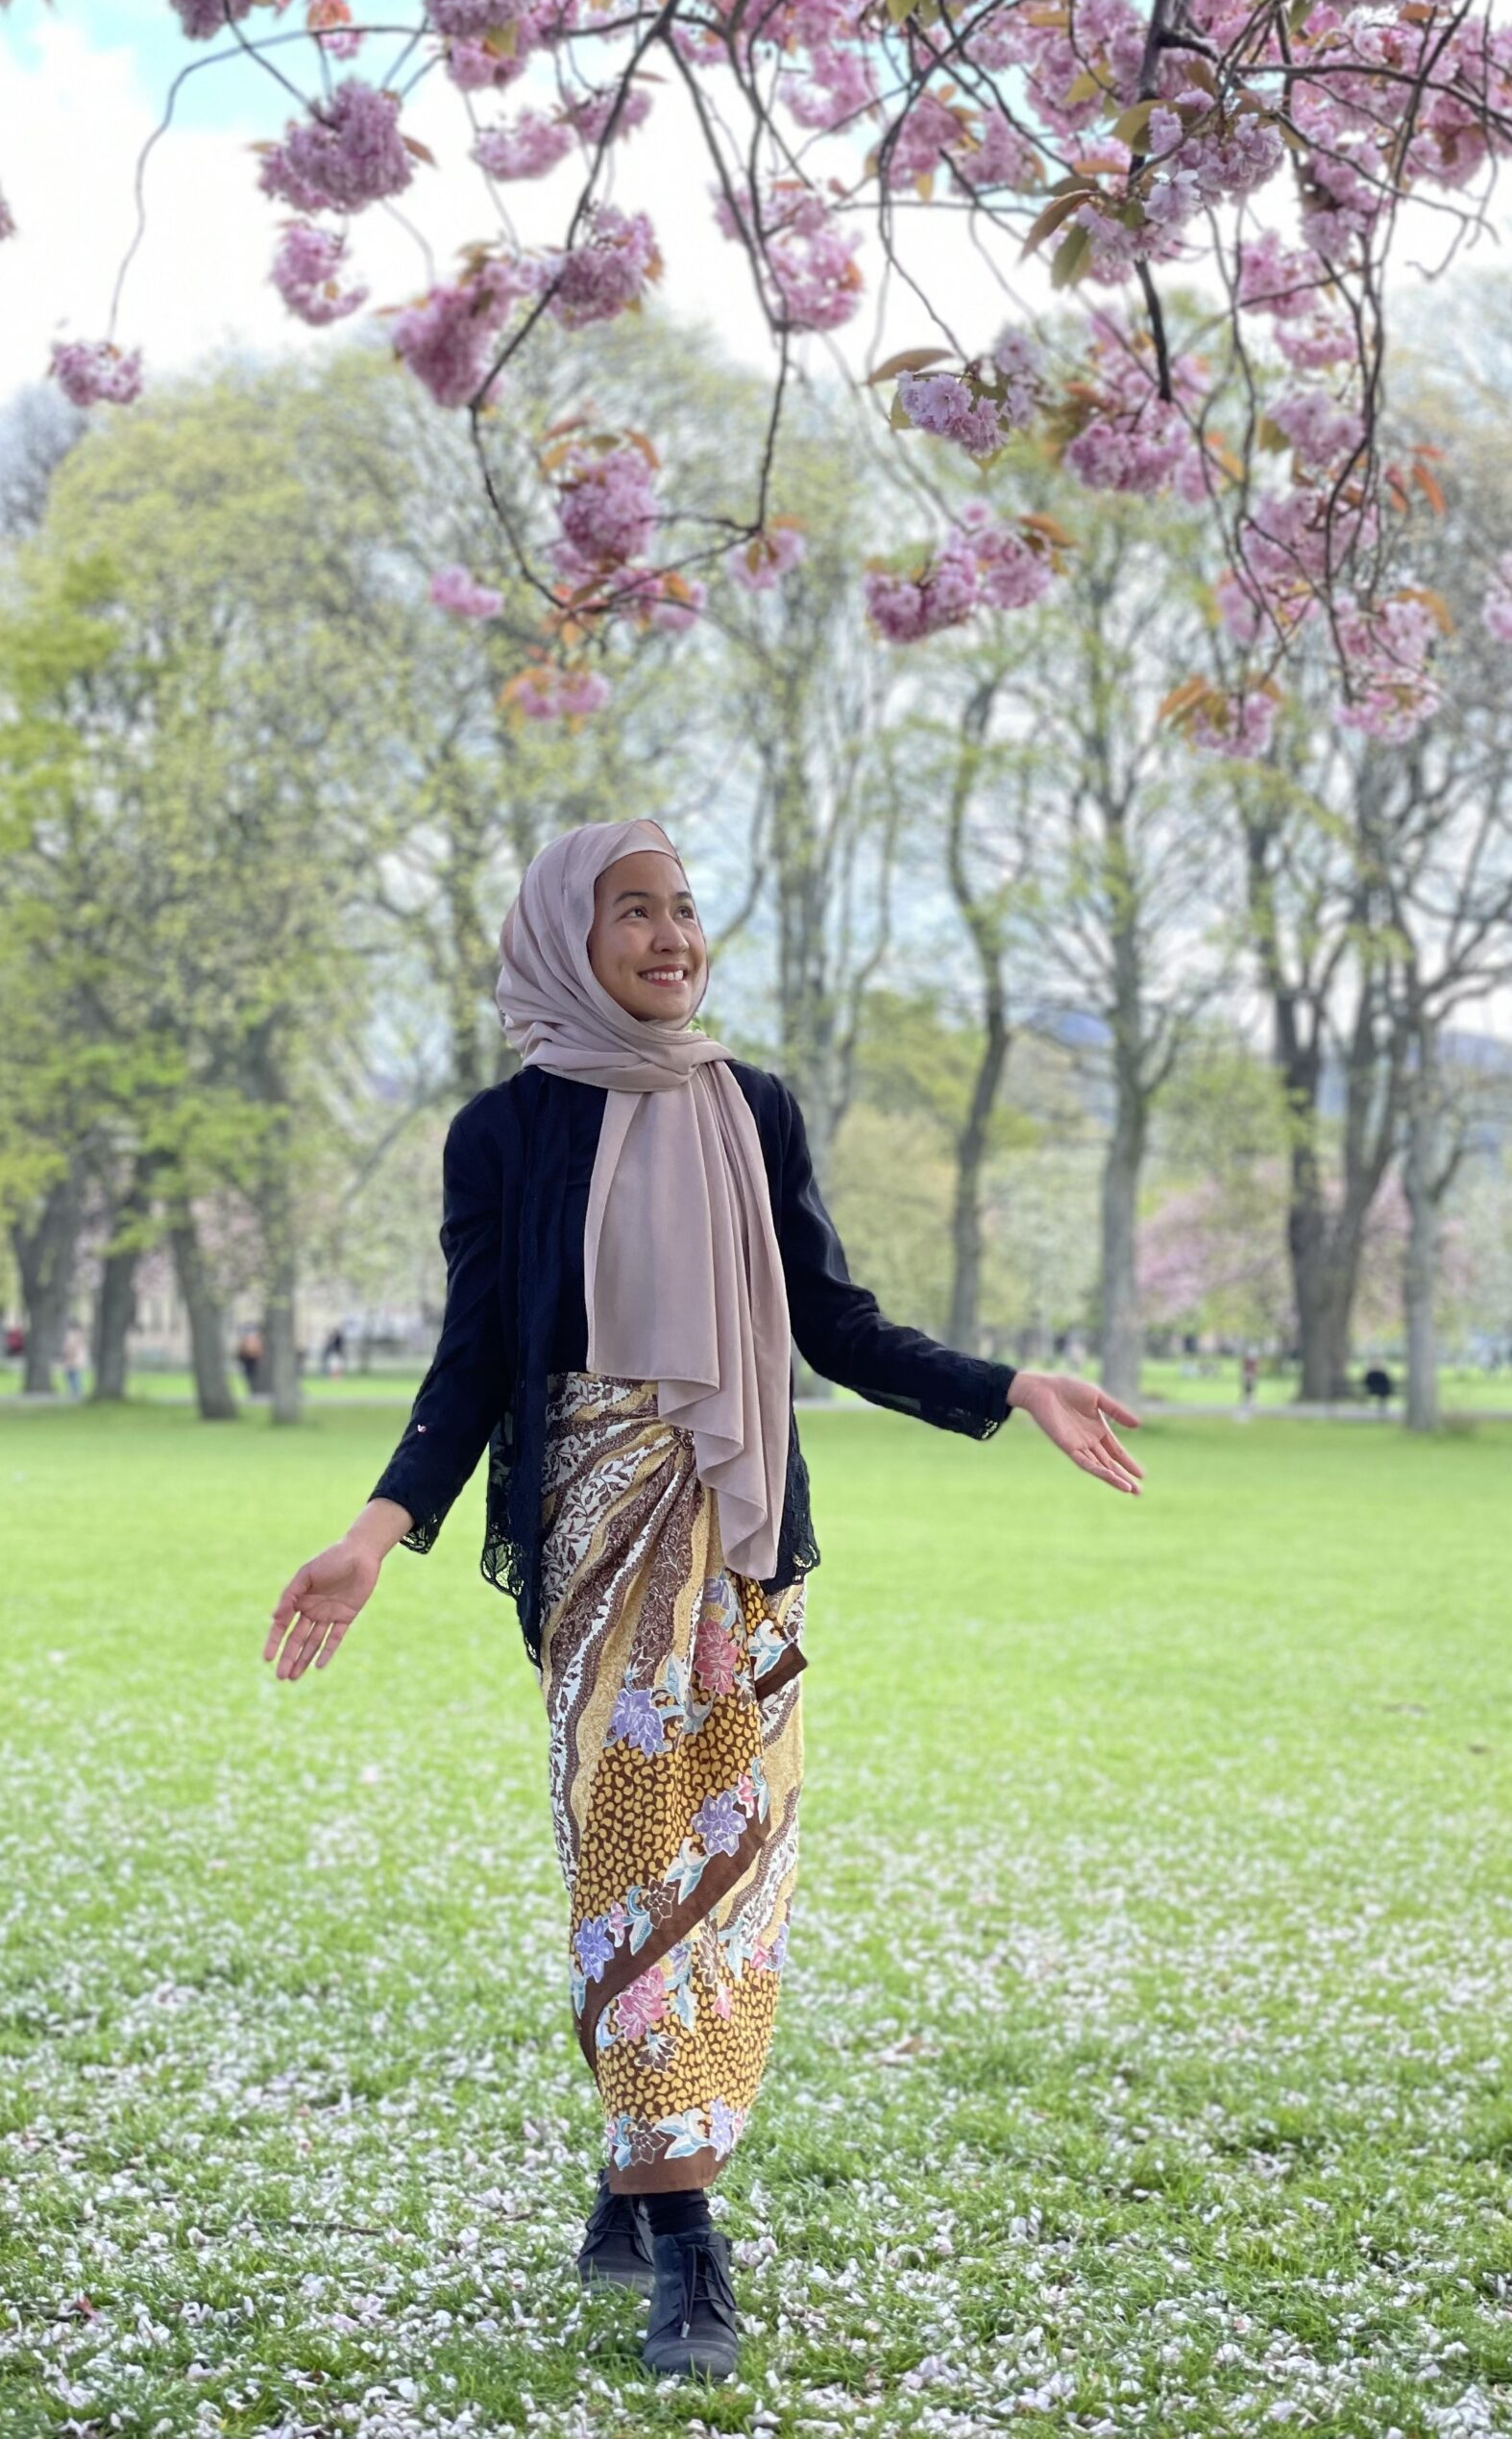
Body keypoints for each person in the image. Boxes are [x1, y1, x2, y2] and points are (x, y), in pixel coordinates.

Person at [263, 820, 1144, 2382]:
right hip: (600, 1547)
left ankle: (637, 2171)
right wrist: (372, 1529)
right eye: (633, 912)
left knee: (726, 1879)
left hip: (742, 1547)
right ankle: (688, 2247)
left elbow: (829, 1322)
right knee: (626, 1865)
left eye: (683, 909)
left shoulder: (753, 1107)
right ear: (563, 936)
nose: (671, 937)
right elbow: (474, 1362)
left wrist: (1006, 1385)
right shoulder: (503, 1133)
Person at [61, 1320, 87, 1402]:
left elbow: (70, 1347)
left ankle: (76, 1393)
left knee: (73, 1376)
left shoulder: (72, 1335)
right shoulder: (79, 1335)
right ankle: (76, 1392)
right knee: (74, 1375)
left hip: (73, 1359)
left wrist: (68, 1355)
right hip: (77, 1358)